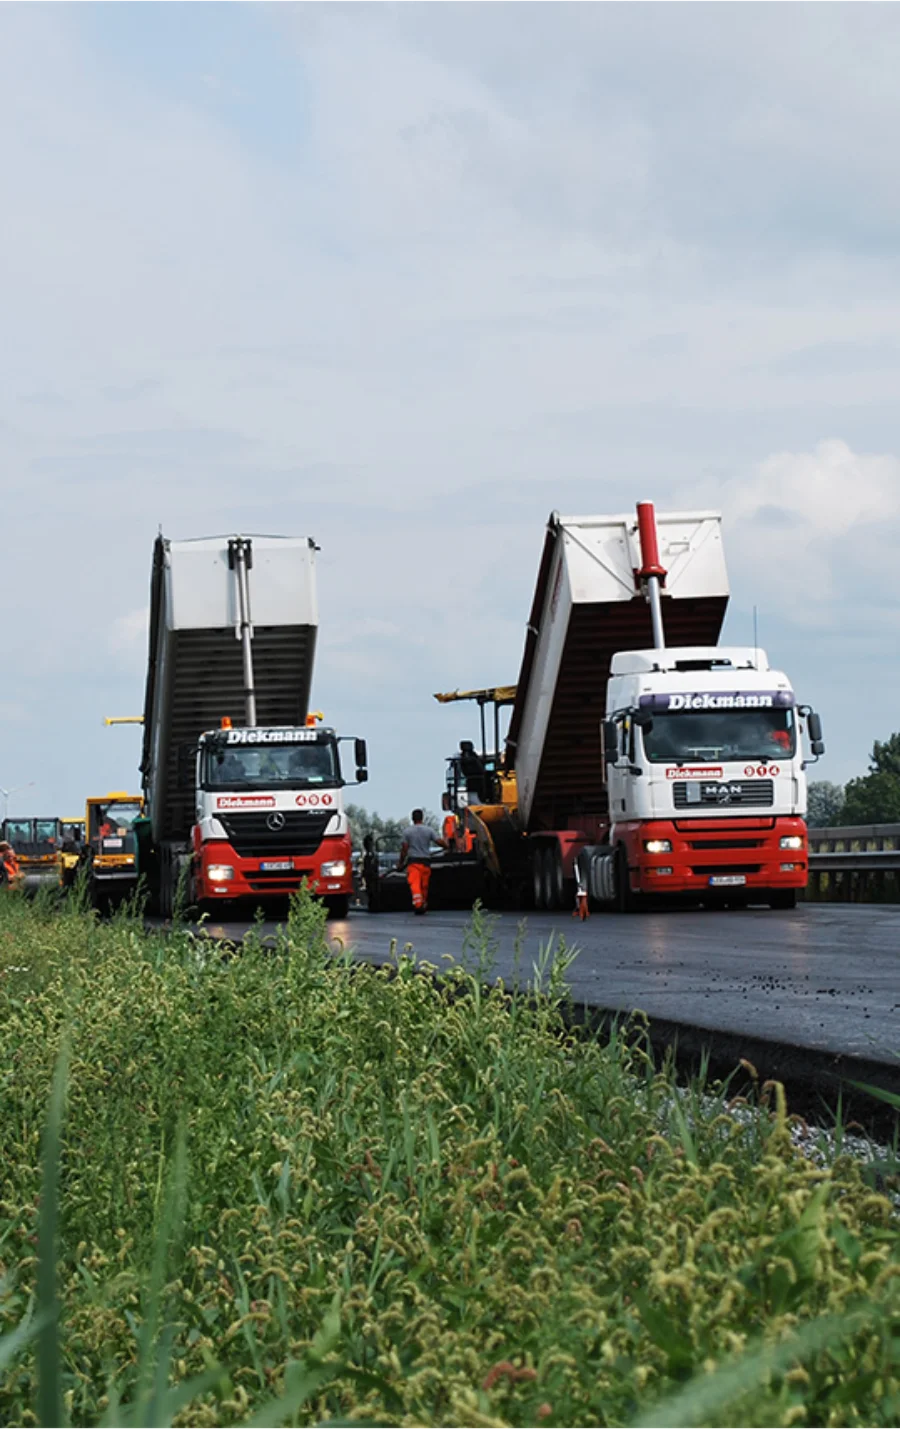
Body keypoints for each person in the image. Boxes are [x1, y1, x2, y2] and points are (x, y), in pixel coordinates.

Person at [398, 809, 447, 915]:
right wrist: (448, 847)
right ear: (422, 818)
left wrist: (400, 863)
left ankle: (418, 905)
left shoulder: (407, 832)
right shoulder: (429, 830)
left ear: (412, 818)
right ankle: (423, 904)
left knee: (415, 885)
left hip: (413, 863)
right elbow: (439, 841)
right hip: (426, 863)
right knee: (424, 885)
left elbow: (404, 849)